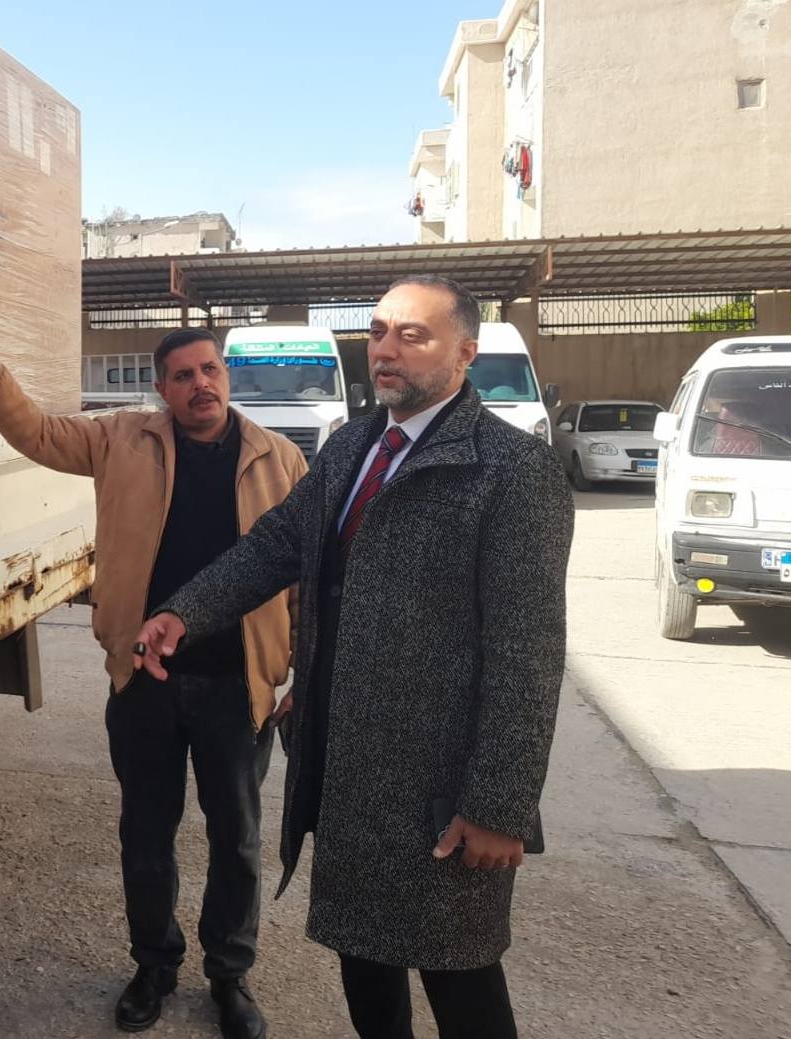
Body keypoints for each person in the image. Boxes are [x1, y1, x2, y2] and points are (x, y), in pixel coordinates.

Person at [133, 275, 574, 1039]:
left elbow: (526, 652)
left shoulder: (510, 469)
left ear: (465, 352)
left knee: (460, 978)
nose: (386, 350)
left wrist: (498, 805)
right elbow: (277, 543)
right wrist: (185, 611)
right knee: (364, 962)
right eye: (377, 332)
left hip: (438, 783)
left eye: (413, 334)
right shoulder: (352, 446)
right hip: (346, 772)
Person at [0, 290, 307, 1039]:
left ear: (225, 375)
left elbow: (301, 572)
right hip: (144, 679)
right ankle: (154, 965)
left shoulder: (279, 458)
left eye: (209, 370)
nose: (200, 384)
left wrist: (299, 670)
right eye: (182, 376)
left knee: (236, 838)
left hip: (238, 684)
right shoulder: (120, 441)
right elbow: (36, 433)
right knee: (145, 832)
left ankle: (229, 974)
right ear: (161, 388)